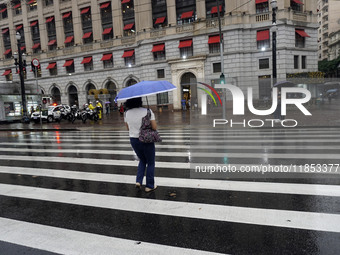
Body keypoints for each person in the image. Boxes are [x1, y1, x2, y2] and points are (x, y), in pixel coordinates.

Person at [124, 97, 157, 192]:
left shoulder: (126, 113)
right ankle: (149, 185)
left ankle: (138, 181)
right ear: (140, 101)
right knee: (150, 162)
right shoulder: (147, 111)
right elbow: (154, 127)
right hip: (146, 139)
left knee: (142, 159)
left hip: (134, 140)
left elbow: (128, 128)